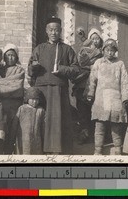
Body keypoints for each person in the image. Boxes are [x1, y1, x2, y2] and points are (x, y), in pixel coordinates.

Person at [28, 16, 79, 154]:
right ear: (46, 31)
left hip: (59, 90)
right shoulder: (39, 48)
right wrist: (34, 66)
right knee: (42, 119)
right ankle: (40, 148)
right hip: (42, 90)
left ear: (60, 31)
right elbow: (30, 70)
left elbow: (76, 70)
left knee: (58, 120)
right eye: (51, 29)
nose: (53, 32)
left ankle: (59, 150)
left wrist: (62, 69)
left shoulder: (67, 49)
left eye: (56, 30)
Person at [86, 39, 128, 155]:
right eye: (107, 50)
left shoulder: (120, 64)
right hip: (101, 99)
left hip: (115, 99)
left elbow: (124, 81)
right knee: (100, 126)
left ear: (115, 51)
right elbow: (92, 79)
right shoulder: (98, 63)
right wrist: (90, 93)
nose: (110, 53)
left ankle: (118, 149)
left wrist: (126, 96)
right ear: (103, 51)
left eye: (112, 50)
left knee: (116, 126)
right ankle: (98, 150)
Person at [72, 27, 103, 144]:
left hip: (97, 86)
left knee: (94, 111)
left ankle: (96, 136)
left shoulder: (103, 52)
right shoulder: (83, 52)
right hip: (82, 85)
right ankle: (83, 134)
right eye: (92, 38)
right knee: (82, 111)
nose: (95, 41)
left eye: (97, 38)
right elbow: (80, 63)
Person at [0, 44, 25, 154]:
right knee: (0, 131)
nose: (10, 58)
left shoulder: (20, 70)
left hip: (15, 106)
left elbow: (17, 86)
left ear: (17, 57)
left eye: (13, 55)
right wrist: (4, 87)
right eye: (8, 55)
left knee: (12, 132)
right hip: (0, 106)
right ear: (4, 57)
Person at [10, 87, 45, 155]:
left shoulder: (41, 110)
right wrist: (12, 138)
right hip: (23, 139)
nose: (35, 102)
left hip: (36, 139)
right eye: (32, 99)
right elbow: (14, 124)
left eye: (37, 99)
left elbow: (43, 127)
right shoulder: (22, 109)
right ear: (27, 99)